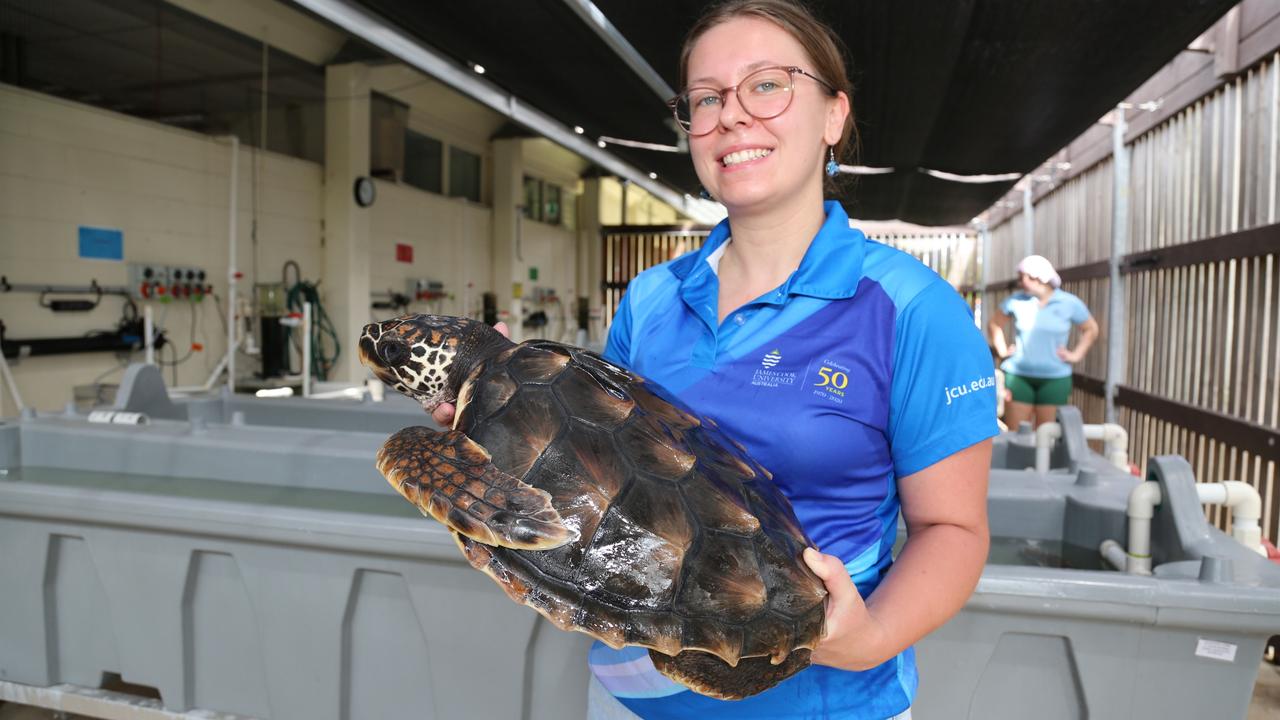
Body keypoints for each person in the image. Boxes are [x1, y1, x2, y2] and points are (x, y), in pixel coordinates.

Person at [987, 254, 1099, 430]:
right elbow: (994, 324)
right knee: (1017, 434)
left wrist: (1076, 355)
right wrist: (1001, 350)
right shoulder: (1015, 301)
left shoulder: (1068, 302)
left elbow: (1091, 329)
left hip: (1054, 379)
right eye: (1021, 277)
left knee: (1046, 436)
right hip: (1018, 377)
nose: (1023, 281)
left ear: (1042, 278)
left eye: (1028, 277)